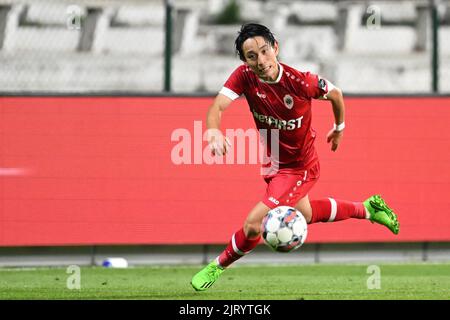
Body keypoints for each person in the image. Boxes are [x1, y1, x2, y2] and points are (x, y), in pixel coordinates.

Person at [191, 23, 399, 291]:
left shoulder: (301, 81)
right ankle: (368, 209)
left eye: (265, 51)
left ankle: (216, 266)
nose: (261, 60)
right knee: (307, 213)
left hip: (299, 169)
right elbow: (217, 106)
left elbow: (336, 94)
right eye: (252, 56)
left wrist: (339, 128)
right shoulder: (244, 76)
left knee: (254, 224)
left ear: (275, 47)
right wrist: (213, 130)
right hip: (275, 163)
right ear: (245, 61)